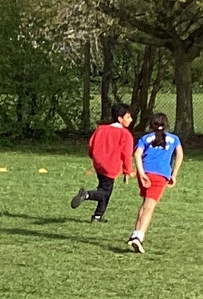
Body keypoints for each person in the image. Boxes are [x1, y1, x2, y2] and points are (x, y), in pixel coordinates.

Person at [127, 111, 184, 254]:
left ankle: (135, 233)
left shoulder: (145, 138)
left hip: (145, 172)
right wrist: (174, 174)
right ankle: (139, 237)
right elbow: (180, 155)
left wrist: (141, 173)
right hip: (160, 175)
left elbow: (137, 154)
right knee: (150, 207)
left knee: (144, 204)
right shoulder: (174, 139)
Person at [71, 105, 135, 223]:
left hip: (99, 164)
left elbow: (91, 145)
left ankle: (97, 216)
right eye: (128, 117)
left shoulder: (101, 129)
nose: (131, 120)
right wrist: (128, 171)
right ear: (120, 119)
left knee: (104, 189)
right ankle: (86, 195)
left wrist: (94, 157)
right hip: (111, 166)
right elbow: (126, 154)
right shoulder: (125, 134)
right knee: (105, 193)